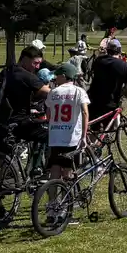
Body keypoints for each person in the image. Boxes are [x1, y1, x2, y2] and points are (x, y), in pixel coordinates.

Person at [43, 62, 90, 198]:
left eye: (57, 76)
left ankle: (52, 205)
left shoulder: (53, 92)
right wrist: (83, 136)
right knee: (68, 173)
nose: (55, 78)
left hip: (55, 137)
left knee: (55, 172)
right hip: (71, 138)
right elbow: (85, 113)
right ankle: (66, 205)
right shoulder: (79, 91)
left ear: (64, 76)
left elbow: (48, 115)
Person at [87, 38, 127, 117]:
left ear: (107, 50)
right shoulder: (124, 65)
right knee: (112, 127)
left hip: (94, 101)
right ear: (119, 50)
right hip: (112, 104)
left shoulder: (98, 61)